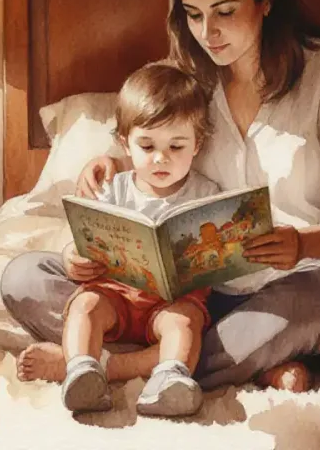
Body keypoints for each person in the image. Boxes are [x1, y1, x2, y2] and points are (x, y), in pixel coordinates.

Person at [1, 0, 320, 397]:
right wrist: (110, 158)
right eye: (193, 14)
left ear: (267, 1)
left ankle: (102, 365)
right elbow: (140, 129)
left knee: (299, 307)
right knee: (25, 277)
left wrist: (301, 244)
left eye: (225, 11)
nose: (207, 32)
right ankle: (252, 363)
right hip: (215, 297)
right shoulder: (190, 75)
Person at [57, 62, 220, 416]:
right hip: (115, 294)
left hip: (173, 300)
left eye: (177, 146)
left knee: (185, 322)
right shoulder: (111, 189)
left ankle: (171, 378)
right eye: (146, 145)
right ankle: (82, 371)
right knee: (84, 306)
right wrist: (74, 256)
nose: (161, 158)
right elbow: (80, 239)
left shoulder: (207, 195)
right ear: (123, 143)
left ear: (198, 144)